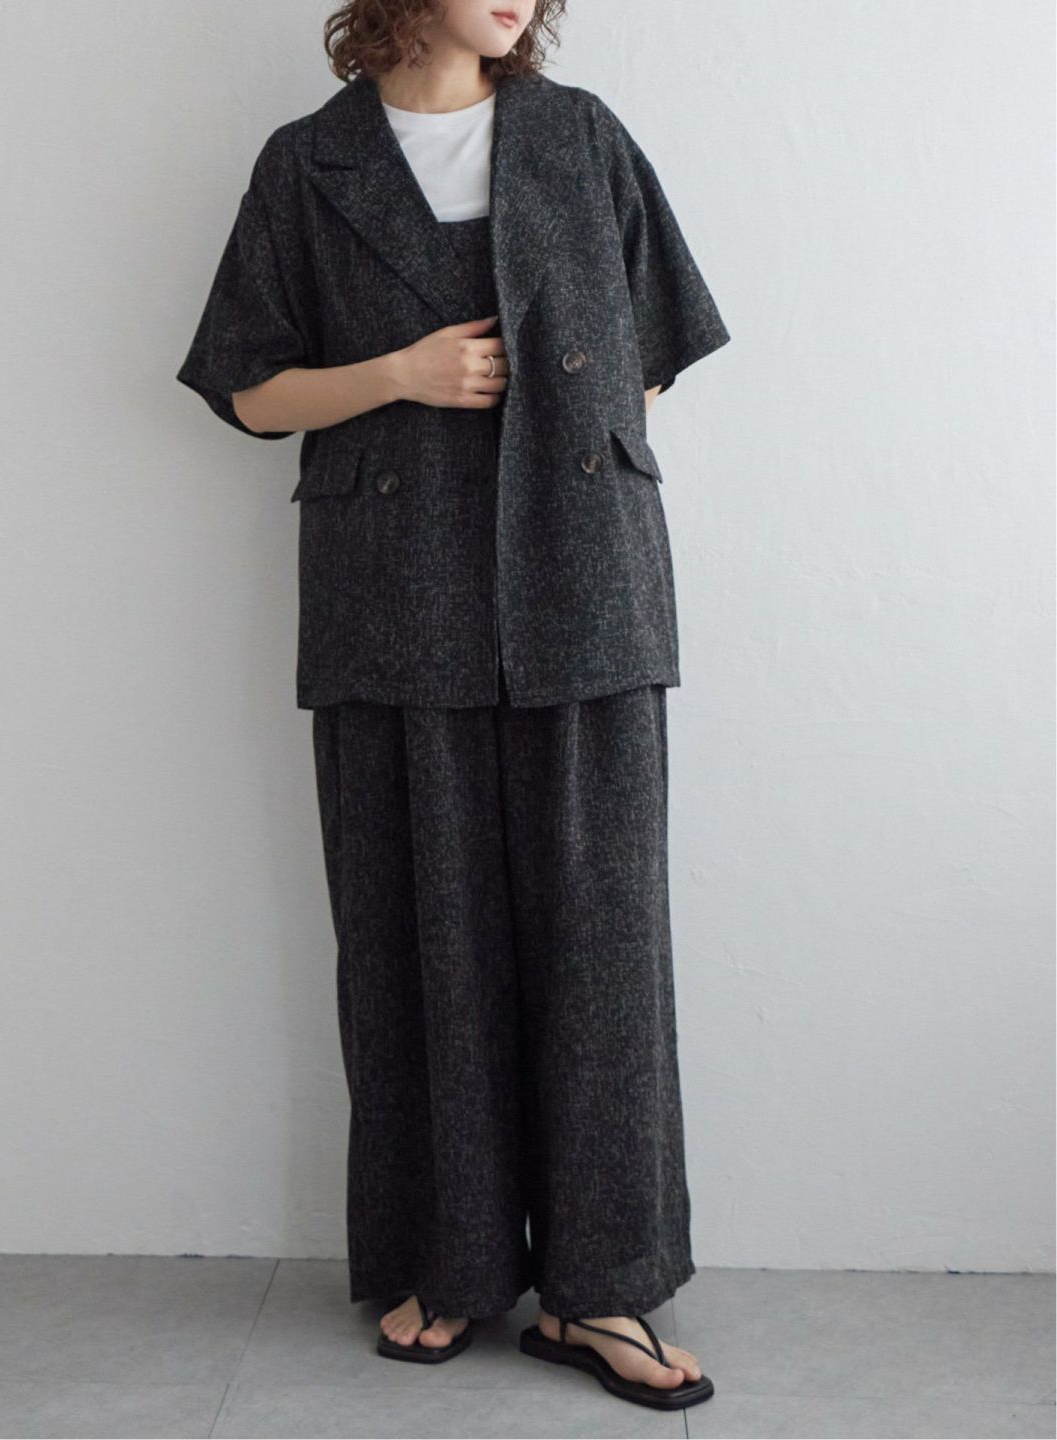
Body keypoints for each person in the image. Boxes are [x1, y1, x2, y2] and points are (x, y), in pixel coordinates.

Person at [175, 0, 730, 1412]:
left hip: (584, 587)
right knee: (418, 938)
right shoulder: (309, 163)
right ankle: (448, 1258)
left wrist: (561, 460)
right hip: (391, 588)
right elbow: (247, 389)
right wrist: (403, 377)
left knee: (602, 943)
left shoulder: (582, 138)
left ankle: (601, 1287)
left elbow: (649, 351)